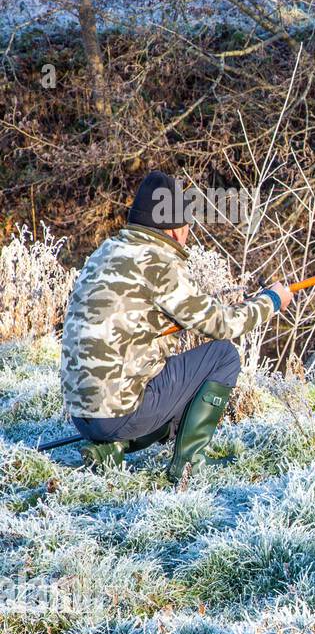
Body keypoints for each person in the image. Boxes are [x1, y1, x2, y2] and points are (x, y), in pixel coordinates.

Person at [60, 170, 293, 482]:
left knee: (173, 375)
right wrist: (272, 301)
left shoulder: (105, 252)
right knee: (223, 355)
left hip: (82, 416)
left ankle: (107, 451)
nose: (188, 231)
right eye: (186, 223)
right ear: (172, 228)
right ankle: (188, 469)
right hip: (120, 414)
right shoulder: (160, 262)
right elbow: (223, 325)